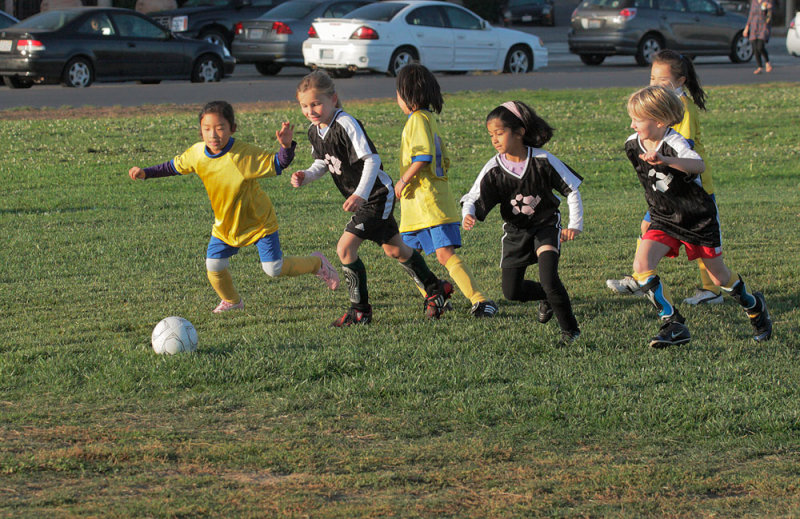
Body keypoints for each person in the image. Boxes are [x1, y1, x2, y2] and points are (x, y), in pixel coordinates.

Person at [128, 100, 339, 314]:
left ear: (233, 128)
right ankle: (232, 301)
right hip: (227, 225)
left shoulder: (242, 155)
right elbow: (172, 166)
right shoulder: (197, 153)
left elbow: (278, 164)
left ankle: (316, 264)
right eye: (207, 129)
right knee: (214, 265)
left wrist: (285, 147)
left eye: (220, 128)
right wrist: (146, 172)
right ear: (200, 131)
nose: (213, 135)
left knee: (273, 269)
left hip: (258, 222)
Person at [291, 70, 452, 326]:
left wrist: (359, 193)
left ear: (333, 99)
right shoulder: (314, 131)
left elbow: (372, 159)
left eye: (316, 103)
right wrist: (306, 175)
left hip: (377, 195)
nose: (311, 110)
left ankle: (360, 311)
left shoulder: (345, 123)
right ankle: (436, 289)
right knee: (395, 249)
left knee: (345, 248)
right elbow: (322, 162)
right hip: (366, 198)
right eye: (304, 106)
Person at [623, 85, 772, 347]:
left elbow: (698, 164)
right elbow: (654, 184)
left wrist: (665, 160)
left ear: (659, 121)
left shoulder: (674, 143)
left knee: (719, 278)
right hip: (664, 218)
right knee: (641, 267)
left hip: (697, 219)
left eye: (637, 119)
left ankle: (754, 306)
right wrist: (650, 213)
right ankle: (673, 323)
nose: (632, 124)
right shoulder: (631, 145)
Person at [460, 101, 583, 344]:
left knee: (549, 278)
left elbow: (572, 190)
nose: (494, 139)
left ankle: (571, 331)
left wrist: (575, 224)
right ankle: (546, 297)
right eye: (491, 135)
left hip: (546, 226)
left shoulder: (543, 160)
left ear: (519, 131)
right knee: (512, 292)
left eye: (500, 132)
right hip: (516, 232)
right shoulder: (494, 167)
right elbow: (472, 196)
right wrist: (468, 213)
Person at [607, 49, 722, 306]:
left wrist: (658, 155)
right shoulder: (660, 104)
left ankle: (712, 290)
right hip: (666, 185)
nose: (655, 85)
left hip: (692, 187)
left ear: (680, 82)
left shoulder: (683, 108)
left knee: (702, 240)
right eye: (652, 79)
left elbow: (684, 145)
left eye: (662, 80)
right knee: (647, 226)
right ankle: (639, 278)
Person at [394, 63, 498, 318]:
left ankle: (481, 300)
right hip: (417, 206)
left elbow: (424, 155)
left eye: (397, 93)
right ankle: (436, 296)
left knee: (443, 254)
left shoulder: (417, 119)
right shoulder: (427, 119)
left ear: (408, 95)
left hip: (429, 202)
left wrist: (403, 180)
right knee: (404, 254)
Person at [744, 0, 774, 74]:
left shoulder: (766, 2)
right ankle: (759, 67)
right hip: (754, 26)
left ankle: (767, 62)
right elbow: (751, 15)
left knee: (760, 46)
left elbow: (769, 14)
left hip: (763, 27)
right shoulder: (754, 2)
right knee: (755, 47)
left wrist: (769, 8)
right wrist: (747, 27)